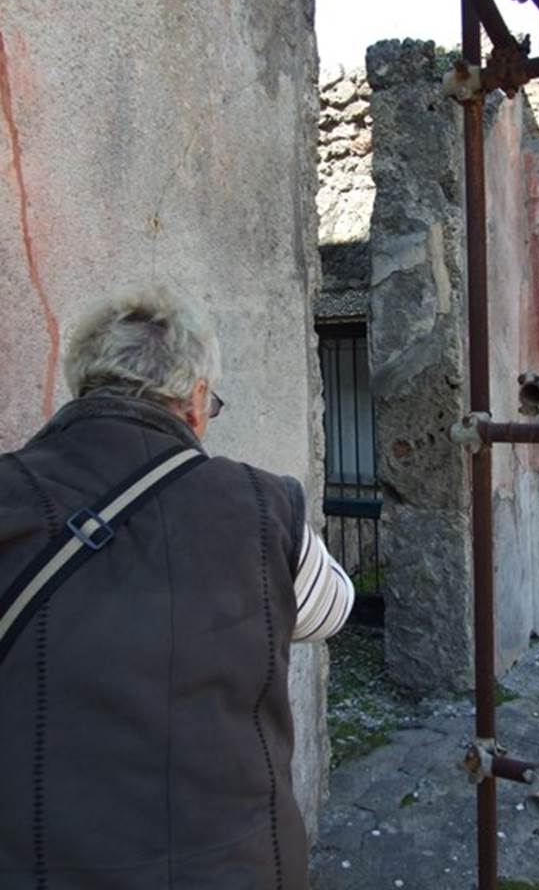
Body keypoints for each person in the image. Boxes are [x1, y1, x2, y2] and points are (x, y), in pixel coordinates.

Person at [0, 284, 354, 890]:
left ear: (83, 386)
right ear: (194, 401)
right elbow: (333, 610)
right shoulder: (265, 506)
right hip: (240, 866)